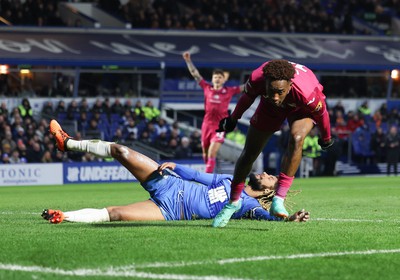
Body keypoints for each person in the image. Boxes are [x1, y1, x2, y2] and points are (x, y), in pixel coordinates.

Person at [42, 119, 310, 224]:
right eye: (268, 174)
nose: (265, 174)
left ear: (269, 190)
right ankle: (68, 143)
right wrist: (177, 167)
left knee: (116, 214)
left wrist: (288, 219)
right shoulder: (230, 180)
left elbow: (265, 216)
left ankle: (62, 216)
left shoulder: (246, 205)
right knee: (121, 151)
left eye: (270, 178)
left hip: (171, 211)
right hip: (168, 184)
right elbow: (198, 177)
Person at [213, 59, 333, 227]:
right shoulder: (257, 78)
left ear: (290, 85)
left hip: (300, 110)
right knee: (250, 153)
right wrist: (233, 119)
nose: (276, 97)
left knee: (297, 139)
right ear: (265, 83)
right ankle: (233, 202)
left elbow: (322, 113)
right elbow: (247, 98)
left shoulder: (308, 94)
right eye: (271, 91)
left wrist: (326, 137)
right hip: (269, 109)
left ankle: (278, 199)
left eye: (280, 92)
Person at [183, 52, 244, 173]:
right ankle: (209, 172)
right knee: (205, 153)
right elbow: (195, 74)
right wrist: (188, 61)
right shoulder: (207, 88)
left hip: (220, 126)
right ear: (212, 79)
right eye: (215, 77)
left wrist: (259, 78)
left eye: (220, 77)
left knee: (212, 152)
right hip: (206, 125)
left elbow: (244, 87)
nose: (217, 79)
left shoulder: (229, 90)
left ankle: (207, 180)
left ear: (223, 80)